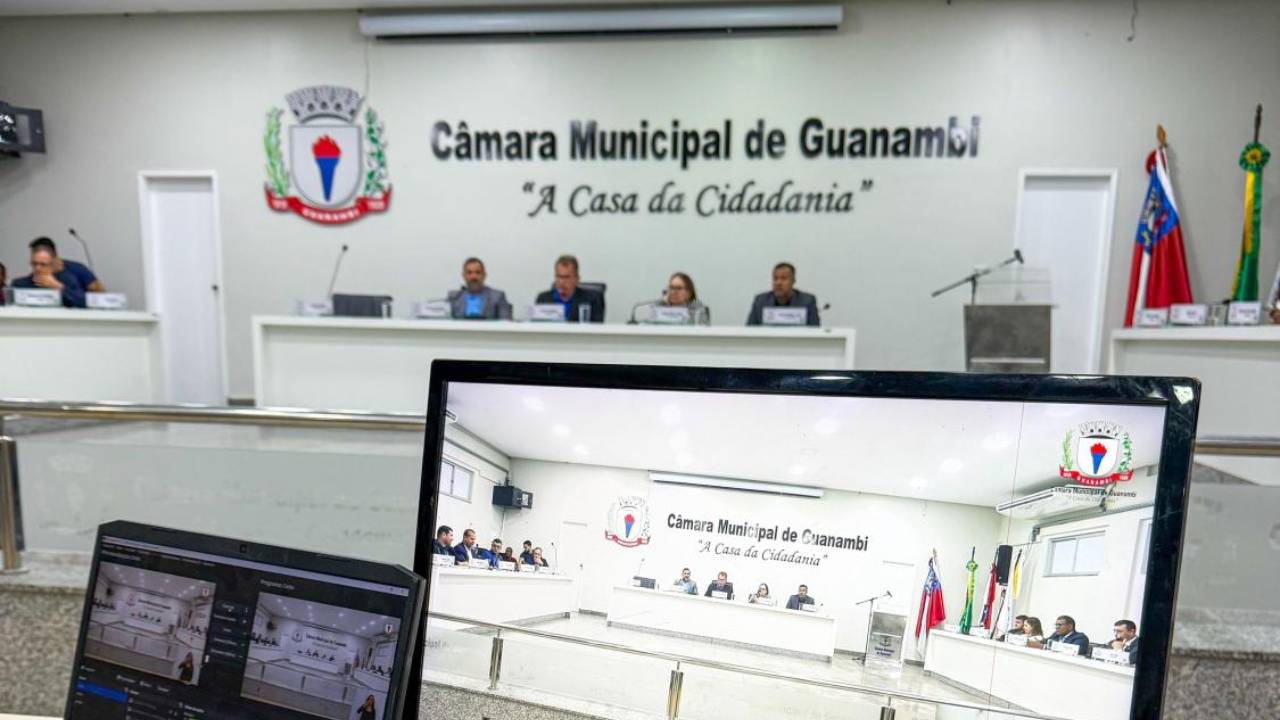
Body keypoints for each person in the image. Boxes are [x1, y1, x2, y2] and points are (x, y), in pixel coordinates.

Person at [12, 239, 88, 308]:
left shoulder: (67, 280)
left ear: (53, 264)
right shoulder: (20, 284)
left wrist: (58, 287)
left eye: (43, 264)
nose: (38, 268)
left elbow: (84, 303)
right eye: (34, 264)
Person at [746, 262, 820, 326]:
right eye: (775, 278)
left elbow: (815, 331)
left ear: (793, 281)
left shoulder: (807, 301)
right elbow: (749, 330)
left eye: (784, 278)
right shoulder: (760, 301)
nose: (778, 283)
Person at [535, 254, 604, 322]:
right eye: (558, 276)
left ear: (577, 279)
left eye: (566, 277)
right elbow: (537, 326)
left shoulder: (591, 300)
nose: (561, 281)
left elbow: (596, 327)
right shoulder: (543, 299)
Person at [448, 257, 512, 320]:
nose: (473, 276)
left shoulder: (497, 297)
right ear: (464, 276)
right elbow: (445, 321)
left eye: (478, 272)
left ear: (484, 275)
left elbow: (506, 322)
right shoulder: (454, 297)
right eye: (469, 273)